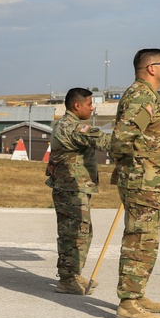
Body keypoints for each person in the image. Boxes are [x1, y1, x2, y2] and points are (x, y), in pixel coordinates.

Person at [107, 48, 160, 318]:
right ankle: (129, 303)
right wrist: (138, 166)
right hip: (141, 180)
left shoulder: (149, 96)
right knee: (139, 239)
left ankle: (137, 293)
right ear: (151, 68)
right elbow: (122, 139)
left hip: (148, 180)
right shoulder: (141, 97)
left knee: (147, 239)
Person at [46, 88, 109, 295]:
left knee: (81, 232)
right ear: (77, 106)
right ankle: (67, 279)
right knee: (73, 235)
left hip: (72, 188)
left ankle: (73, 273)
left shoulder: (64, 124)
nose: (92, 108)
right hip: (71, 189)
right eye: (89, 104)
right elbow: (102, 141)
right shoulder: (73, 127)